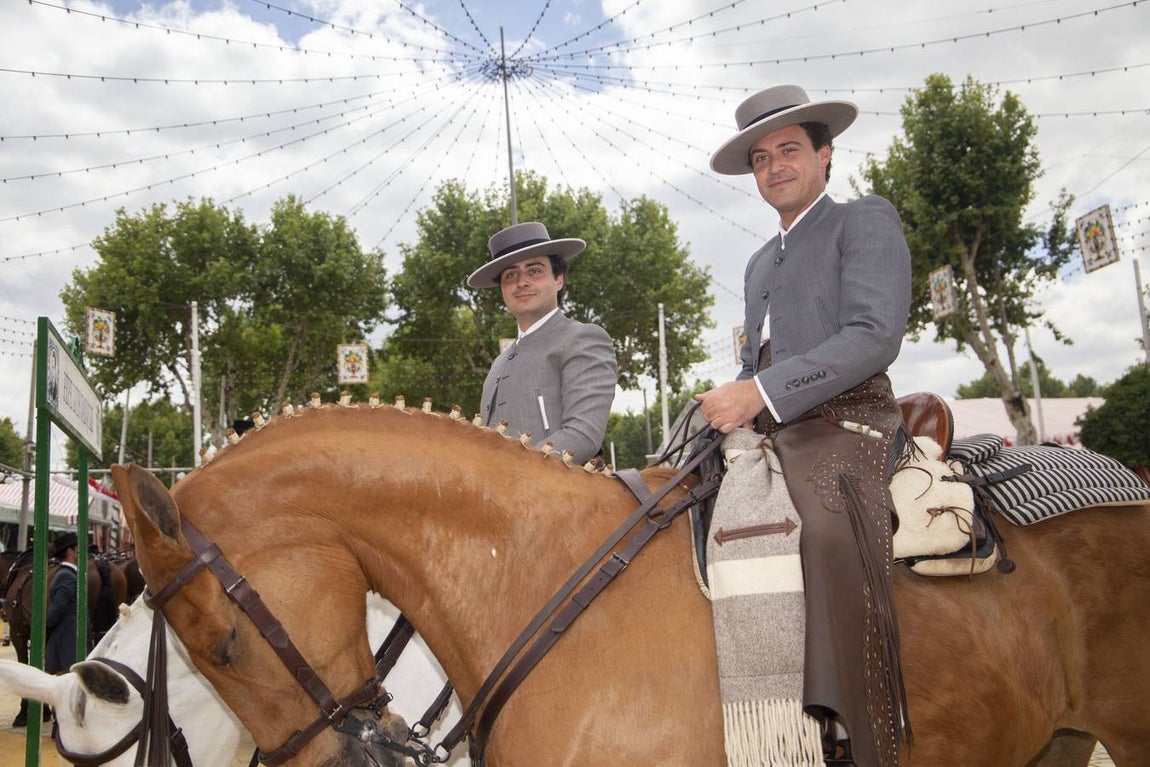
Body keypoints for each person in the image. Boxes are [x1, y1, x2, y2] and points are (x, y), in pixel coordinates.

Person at [696, 85, 913, 767]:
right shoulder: (760, 262)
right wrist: (731, 400)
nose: (774, 166)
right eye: (760, 158)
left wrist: (759, 389)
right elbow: (754, 357)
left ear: (825, 153)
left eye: (789, 149)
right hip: (777, 426)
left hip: (854, 418)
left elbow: (876, 334)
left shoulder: (864, 220)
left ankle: (852, 723)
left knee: (818, 526)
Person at [468, 221, 618, 465]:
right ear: (502, 290)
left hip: (564, 498)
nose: (522, 281)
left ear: (559, 280)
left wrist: (507, 476)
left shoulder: (583, 338)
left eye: (534, 270)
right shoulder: (498, 364)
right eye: (511, 275)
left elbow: (583, 435)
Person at [45, 532, 85, 676]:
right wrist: (47, 626)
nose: (81, 553)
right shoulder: (66, 576)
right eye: (78, 550)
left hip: (69, 640)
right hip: (67, 643)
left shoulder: (68, 574)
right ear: (70, 552)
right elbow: (59, 607)